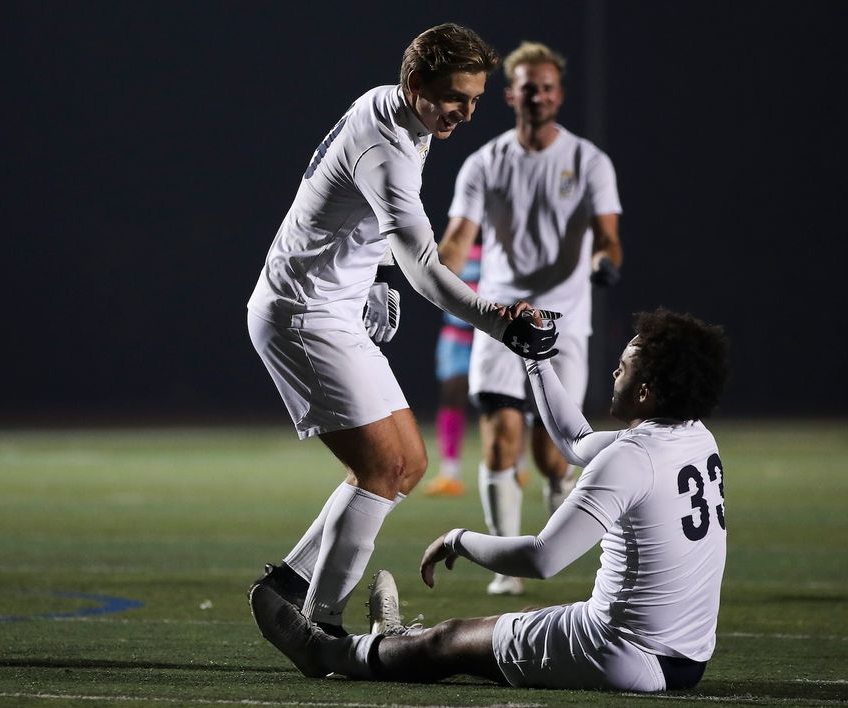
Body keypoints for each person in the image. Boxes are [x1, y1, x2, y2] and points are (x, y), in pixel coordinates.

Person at [245, 23, 561, 638]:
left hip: (332, 303)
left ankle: (288, 583)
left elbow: (349, 216)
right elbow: (425, 266)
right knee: (381, 468)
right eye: (454, 99)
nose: (466, 113)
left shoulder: (392, 108)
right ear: (415, 84)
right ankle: (321, 629)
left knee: (409, 465)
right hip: (302, 314)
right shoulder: (388, 144)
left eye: (474, 99)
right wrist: (498, 322)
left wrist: (370, 276)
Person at [250, 308, 731, 693]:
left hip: (621, 652)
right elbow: (575, 443)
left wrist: (460, 540)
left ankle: (324, 652)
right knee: (488, 632)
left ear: (645, 392)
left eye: (623, 368)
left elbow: (542, 559)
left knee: (452, 640)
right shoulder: (695, 437)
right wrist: (535, 360)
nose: (613, 371)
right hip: (687, 657)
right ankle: (384, 644)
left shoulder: (633, 457)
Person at [437, 41, 624, 595]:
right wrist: (423, 275)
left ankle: (558, 514)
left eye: (546, 86)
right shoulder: (484, 163)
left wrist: (603, 263)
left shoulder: (588, 161)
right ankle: (504, 567)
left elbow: (609, 237)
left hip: (564, 320)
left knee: (553, 452)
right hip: (499, 319)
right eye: (527, 86)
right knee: (499, 438)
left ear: (558, 95)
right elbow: (457, 239)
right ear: (510, 94)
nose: (537, 95)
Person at [423, 239, 482, 498]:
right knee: (451, 397)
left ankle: (515, 465)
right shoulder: (455, 245)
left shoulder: (501, 245)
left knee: (502, 400)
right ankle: (450, 472)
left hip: (489, 337)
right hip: (456, 336)